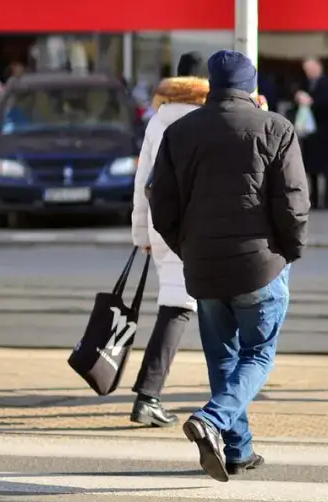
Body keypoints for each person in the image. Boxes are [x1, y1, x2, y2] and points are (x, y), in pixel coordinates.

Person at [150, 50, 310, 482]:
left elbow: (159, 201)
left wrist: (186, 247)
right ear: (251, 86)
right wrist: (290, 251)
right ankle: (212, 419)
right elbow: (293, 200)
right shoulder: (276, 127)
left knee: (222, 357)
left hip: (204, 265)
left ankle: (238, 451)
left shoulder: (180, 130)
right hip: (261, 264)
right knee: (257, 353)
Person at [129, 52, 209, 428]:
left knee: (183, 305)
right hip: (194, 226)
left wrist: (141, 232)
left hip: (163, 225)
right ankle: (148, 396)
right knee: (180, 308)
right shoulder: (207, 117)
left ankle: (225, 396)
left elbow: (141, 179)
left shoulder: (159, 118)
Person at [293, 57, 328, 211]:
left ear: (318, 68)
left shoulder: (327, 83)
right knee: (310, 167)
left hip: (323, 130)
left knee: (326, 167)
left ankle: (327, 200)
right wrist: (299, 97)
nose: (309, 73)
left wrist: (311, 101)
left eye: (311, 69)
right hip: (309, 131)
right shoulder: (305, 83)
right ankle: (314, 198)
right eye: (306, 70)